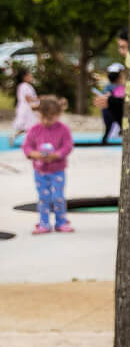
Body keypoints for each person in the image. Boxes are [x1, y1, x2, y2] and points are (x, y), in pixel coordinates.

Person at [22, 96, 73, 234]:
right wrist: (34, 154)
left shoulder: (63, 129)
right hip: (40, 171)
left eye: (50, 118)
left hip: (57, 170)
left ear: (58, 115)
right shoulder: (35, 129)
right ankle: (44, 223)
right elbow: (26, 146)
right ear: (39, 114)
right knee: (43, 198)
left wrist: (56, 155)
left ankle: (61, 222)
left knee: (58, 197)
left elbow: (68, 146)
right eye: (43, 117)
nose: (46, 121)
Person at [98, 64, 125, 143]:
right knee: (119, 124)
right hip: (113, 111)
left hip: (108, 111)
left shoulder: (108, 87)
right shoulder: (119, 87)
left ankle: (105, 139)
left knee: (108, 127)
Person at [11, 68, 37, 146]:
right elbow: (28, 98)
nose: (31, 76)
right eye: (29, 75)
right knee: (30, 126)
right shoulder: (24, 86)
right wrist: (39, 99)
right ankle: (31, 141)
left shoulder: (23, 85)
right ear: (24, 77)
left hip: (26, 108)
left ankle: (14, 137)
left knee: (27, 127)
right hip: (27, 109)